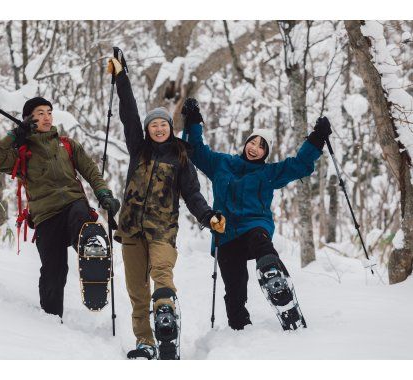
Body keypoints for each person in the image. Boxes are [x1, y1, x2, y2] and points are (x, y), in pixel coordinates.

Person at [107, 58, 226, 359]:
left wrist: (208, 216)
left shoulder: (180, 156)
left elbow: (193, 194)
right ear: (148, 130)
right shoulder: (138, 149)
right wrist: (122, 77)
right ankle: (145, 342)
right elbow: (129, 114)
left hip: (162, 231)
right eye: (154, 125)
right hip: (131, 230)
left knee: (162, 274)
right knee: (136, 291)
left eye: (163, 124)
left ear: (170, 128)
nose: (159, 128)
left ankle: (166, 320)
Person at [181, 98, 332, 330]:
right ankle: (239, 328)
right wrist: (192, 121)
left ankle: (276, 281)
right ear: (246, 143)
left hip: (254, 226)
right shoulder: (222, 164)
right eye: (253, 142)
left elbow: (300, 164)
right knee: (235, 288)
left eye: (262, 146)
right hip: (226, 232)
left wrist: (317, 137)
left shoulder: (269, 172)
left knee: (261, 242)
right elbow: (196, 151)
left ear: (265, 152)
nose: (255, 148)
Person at [0, 97, 120, 320]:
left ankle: (91, 250)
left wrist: (104, 193)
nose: (47, 117)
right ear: (29, 118)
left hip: (73, 205)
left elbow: (91, 171)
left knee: (81, 216)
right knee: (54, 273)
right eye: (40, 113)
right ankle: (50, 320)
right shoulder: (21, 152)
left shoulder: (67, 145)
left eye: (49, 112)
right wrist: (14, 136)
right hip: (46, 217)